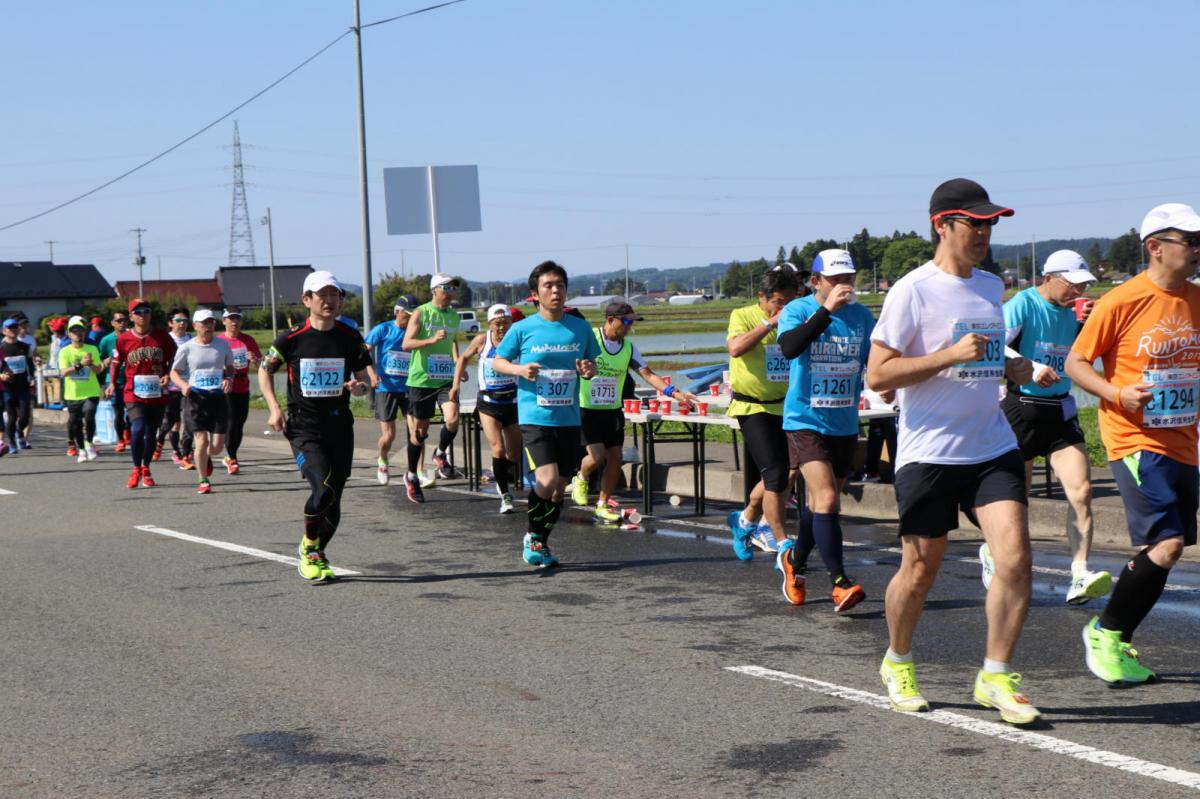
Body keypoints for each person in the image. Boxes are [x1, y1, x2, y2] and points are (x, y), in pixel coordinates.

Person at [866, 178, 1040, 725]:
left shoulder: (991, 286)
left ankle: (995, 673)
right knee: (920, 570)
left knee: (1015, 559)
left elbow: (984, 353)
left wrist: (1009, 365)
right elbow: (879, 373)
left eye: (991, 223)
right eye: (975, 222)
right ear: (942, 225)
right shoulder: (911, 291)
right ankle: (897, 660)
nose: (985, 232)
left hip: (990, 444)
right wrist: (946, 356)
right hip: (929, 450)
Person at [1066, 202, 1200, 685]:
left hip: (1183, 438)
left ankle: (1115, 636)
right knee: (1166, 543)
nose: (1199, 250)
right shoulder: (1122, 300)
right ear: (1155, 247)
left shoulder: (1197, 298)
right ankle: (1106, 630)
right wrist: (1115, 392)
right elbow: (1077, 363)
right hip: (1134, 437)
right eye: (1191, 241)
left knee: (1172, 547)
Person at [982, 250, 1111, 605]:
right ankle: (994, 553)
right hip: (1021, 409)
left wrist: (1092, 323)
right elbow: (993, 344)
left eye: (1083, 285)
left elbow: (1084, 356)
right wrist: (1032, 365)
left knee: (1082, 491)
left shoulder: (1074, 313)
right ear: (1049, 277)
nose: (1078, 291)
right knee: (1015, 500)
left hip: (1060, 411)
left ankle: (1080, 572)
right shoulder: (1023, 303)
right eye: (1073, 284)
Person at [773, 249, 877, 613]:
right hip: (805, 420)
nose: (844, 286)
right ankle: (840, 582)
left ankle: (795, 563)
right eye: (835, 279)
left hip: (844, 423)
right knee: (828, 499)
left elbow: (875, 361)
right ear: (815, 281)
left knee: (819, 504)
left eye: (849, 278)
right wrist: (827, 310)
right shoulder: (798, 310)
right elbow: (789, 348)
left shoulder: (862, 316)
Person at [259, 270, 374, 583]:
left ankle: (318, 551)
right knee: (321, 491)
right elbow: (265, 371)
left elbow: (366, 381)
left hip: (339, 424)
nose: (329, 301)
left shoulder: (350, 337)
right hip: (303, 426)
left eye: (334, 295)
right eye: (321, 295)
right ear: (306, 300)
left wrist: (358, 387)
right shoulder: (291, 338)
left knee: (334, 496)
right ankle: (309, 548)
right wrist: (273, 408)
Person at [492, 261, 599, 567]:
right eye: (548, 286)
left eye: (560, 285)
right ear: (535, 294)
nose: (555, 291)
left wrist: (588, 370)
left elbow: (591, 364)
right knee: (548, 478)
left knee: (559, 489)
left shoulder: (579, 328)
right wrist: (519, 369)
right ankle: (532, 536)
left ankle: (542, 541)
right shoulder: (522, 328)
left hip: (569, 418)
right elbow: (497, 361)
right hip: (534, 416)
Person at [570, 298, 697, 522]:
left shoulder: (628, 348)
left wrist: (676, 394)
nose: (630, 326)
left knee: (616, 457)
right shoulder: (590, 337)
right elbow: (571, 360)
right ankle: (581, 476)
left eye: (632, 322)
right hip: (587, 408)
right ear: (611, 320)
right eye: (627, 321)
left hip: (612, 409)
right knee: (597, 457)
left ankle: (602, 503)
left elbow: (648, 375)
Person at [725, 267, 799, 558]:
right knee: (776, 473)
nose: (785, 308)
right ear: (762, 297)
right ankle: (773, 531)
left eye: (790, 302)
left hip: (787, 405)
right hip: (753, 406)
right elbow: (735, 348)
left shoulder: (796, 316)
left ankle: (744, 520)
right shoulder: (742, 315)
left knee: (791, 471)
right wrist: (770, 323)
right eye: (779, 302)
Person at [452, 304, 524, 514]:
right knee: (498, 449)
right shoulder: (482, 340)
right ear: (490, 324)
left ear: (512, 323)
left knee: (513, 454)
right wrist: (456, 384)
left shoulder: (517, 340)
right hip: (488, 402)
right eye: (497, 323)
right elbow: (464, 358)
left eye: (505, 323)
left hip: (512, 402)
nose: (502, 327)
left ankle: (498, 469)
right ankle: (505, 496)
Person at [401, 274, 465, 501]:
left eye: (454, 288)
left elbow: (453, 341)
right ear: (435, 289)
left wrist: (458, 364)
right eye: (447, 288)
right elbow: (406, 344)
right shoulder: (421, 312)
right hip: (421, 380)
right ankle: (411, 475)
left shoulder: (453, 315)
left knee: (453, 418)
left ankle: (440, 453)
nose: (451, 292)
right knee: (419, 434)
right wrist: (430, 340)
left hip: (445, 377)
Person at [107, 298, 177, 490]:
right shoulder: (123, 339)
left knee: (151, 433)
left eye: (146, 311)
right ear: (131, 317)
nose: (143, 315)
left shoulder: (162, 337)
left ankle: (146, 467)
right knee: (137, 428)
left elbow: (175, 360)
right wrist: (112, 383)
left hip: (157, 392)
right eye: (138, 312)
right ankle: (136, 468)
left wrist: (168, 375)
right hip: (134, 392)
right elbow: (115, 362)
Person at [171, 309, 235, 495]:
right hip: (196, 399)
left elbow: (230, 367)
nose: (208, 326)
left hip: (217, 399)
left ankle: (206, 457)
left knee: (216, 447)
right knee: (201, 440)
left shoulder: (222, 345)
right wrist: (183, 385)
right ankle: (203, 479)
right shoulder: (187, 347)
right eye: (204, 323)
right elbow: (174, 372)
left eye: (211, 323)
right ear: (195, 326)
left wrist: (228, 379)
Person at [364, 295, 417, 486]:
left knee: (416, 432)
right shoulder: (383, 329)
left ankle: (415, 472)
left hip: (410, 386)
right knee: (389, 435)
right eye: (407, 314)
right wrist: (371, 374)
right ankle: (383, 460)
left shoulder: (415, 332)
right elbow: (363, 352)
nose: (410, 318)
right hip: (386, 387)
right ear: (398, 312)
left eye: (413, 315)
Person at [217, 307, 262, 474]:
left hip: (243, 387)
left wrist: (255, 359)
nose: (234, 322)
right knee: (230, 422)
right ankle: (232, 456)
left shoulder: (248, 340)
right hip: (225, 387)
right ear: (224, 321)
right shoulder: (219, 341)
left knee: (239, 424)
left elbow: (261, 366)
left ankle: (230, 454)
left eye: (237, 319)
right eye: (231, 319)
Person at [58, 316, 103, 462]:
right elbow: (64, 372)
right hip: (73, 393)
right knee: (75, 422)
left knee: (89, 414)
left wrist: (90, 364)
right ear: (69, 334)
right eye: (74, 331)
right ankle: (82, 449)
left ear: (85, 333)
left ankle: (89, 443)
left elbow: (98, 370)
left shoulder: (92, 349)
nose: (78, 333)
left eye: (80, 330)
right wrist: (80, 365)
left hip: (91, 391)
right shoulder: (65, 351)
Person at [157, 308, 193, 466]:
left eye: (185, 321)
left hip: (188, 387)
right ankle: (159, 440)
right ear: (170, 323)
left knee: (188, 421)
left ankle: (183, 454)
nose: (182, 324)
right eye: (179, 321)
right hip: (170, 387)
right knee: (171, 422)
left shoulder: (192, 339)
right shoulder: (165, 340)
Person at [1, 318, 35, 454]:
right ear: (4, 331)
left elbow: (30, 365)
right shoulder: (1, 349)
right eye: (10, 328)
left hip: (22, 386)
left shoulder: (25, 347)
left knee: (25, 415)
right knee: (11, 416)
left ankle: (20, 432)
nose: (13, 330)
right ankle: (13, 444)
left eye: (15, 327)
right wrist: (2, 376)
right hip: (7, 388)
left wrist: (32, 378)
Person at [98, 310, 130, 452]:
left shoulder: (132, 337)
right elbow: (100, 360)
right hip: (113, 381)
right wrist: (105, 362)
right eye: (118, 321)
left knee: (132, 410)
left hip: (131, 379)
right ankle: (121, 440)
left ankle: (128, 432)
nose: (122, 323)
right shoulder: (106, 340)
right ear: (112, 323)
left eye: (124, 320)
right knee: (118, 411)